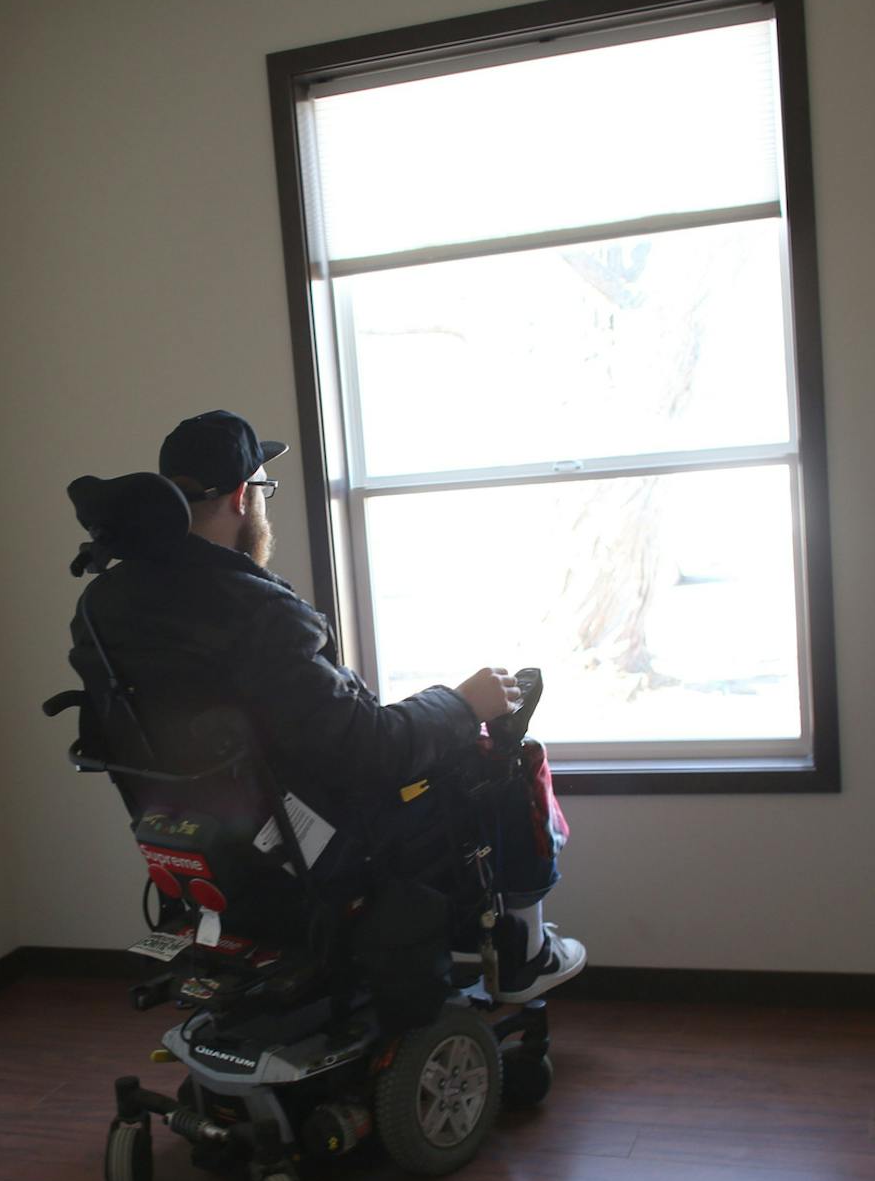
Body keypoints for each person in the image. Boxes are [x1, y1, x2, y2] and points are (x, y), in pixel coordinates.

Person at [72, 409, 584, 1003]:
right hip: (320, 840)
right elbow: (368, 750)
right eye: (264, 489)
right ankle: (523, 952)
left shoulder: (103, 606)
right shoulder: (253, 607)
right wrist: (462, 702)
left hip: (206, 839)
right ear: (243, 497)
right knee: (506, 760)